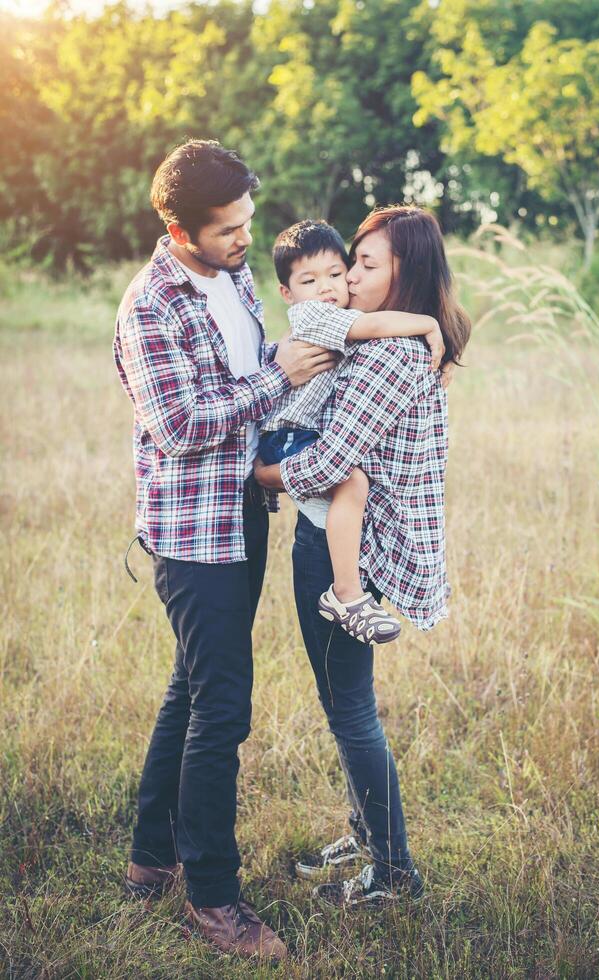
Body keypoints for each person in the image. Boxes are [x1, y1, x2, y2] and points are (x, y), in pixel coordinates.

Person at [113, 140, 338, 963]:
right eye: (226, 229)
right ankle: (212, 897)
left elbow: (245, 384)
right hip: (189, 532)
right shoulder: (149, 306)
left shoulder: (236, 273)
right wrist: (279, 375)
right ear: (178, 229)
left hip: (241, 512)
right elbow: (178, 428)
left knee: (191, 685)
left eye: (248, 220)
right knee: (223, 707)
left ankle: (149, 858)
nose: (245, 239)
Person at [255, 205, 471, 908]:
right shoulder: (379, 345)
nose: (348, 280)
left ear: (406, 275)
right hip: (346, 537)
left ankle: (394, 870)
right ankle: (367, 834)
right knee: (341, 699)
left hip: (340, 548)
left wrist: (260, 476)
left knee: (349, 709)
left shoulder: (389, 353)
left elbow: (331, 463)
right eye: (351, 264)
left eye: (365, 267)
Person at [258, 219, 445, 645]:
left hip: (300, 440)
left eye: (339, 272)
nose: (335, 284)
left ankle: (346, 590)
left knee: (346, 699)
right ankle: (345, 592)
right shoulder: (316, 315)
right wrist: (426, 323)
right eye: (310, 279)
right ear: (288, 292)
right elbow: (372, 327)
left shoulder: (375, 341)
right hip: (288, 433)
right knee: (351, 479)